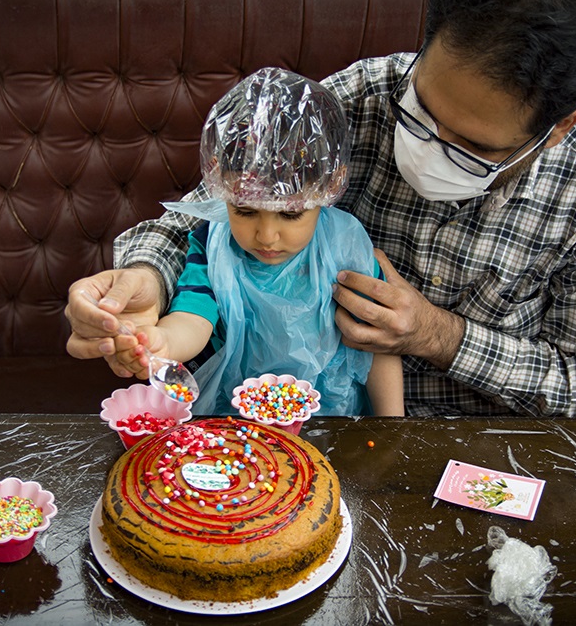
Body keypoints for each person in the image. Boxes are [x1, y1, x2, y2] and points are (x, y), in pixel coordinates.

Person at [65, 0, 576, 417]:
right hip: (288, 417)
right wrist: (140, 280)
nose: (431, 149)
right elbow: (207, 215)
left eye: (472, 148)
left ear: (555, 129)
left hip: (479, 434)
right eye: (422, 115)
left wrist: (438, 336)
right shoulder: (350, 103)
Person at [114, 68, 404, 416]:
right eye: (245, 212)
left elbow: (381, 345)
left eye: (290, 214)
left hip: (331, 417)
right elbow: (193, 318)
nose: (266, 236)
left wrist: (393, 426)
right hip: (235, 418)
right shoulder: (213, 246)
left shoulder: (345, 247)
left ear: (328, 188)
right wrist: (162, 343)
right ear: (219, 182)